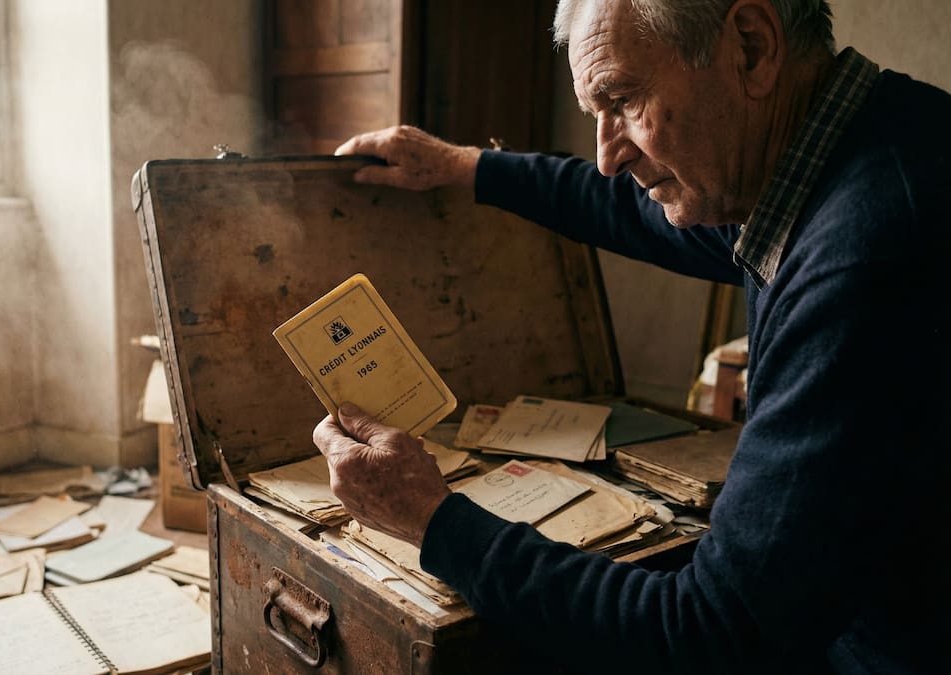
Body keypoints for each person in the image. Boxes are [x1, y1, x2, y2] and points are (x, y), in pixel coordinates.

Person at [312, 0, 950, 672]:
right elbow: (635, 210)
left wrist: (432, 519)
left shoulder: (868, 255)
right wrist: (468, 167)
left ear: (752, 49)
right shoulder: (866, 140)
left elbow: (711, 631)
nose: (609, 158)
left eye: (622, 99)